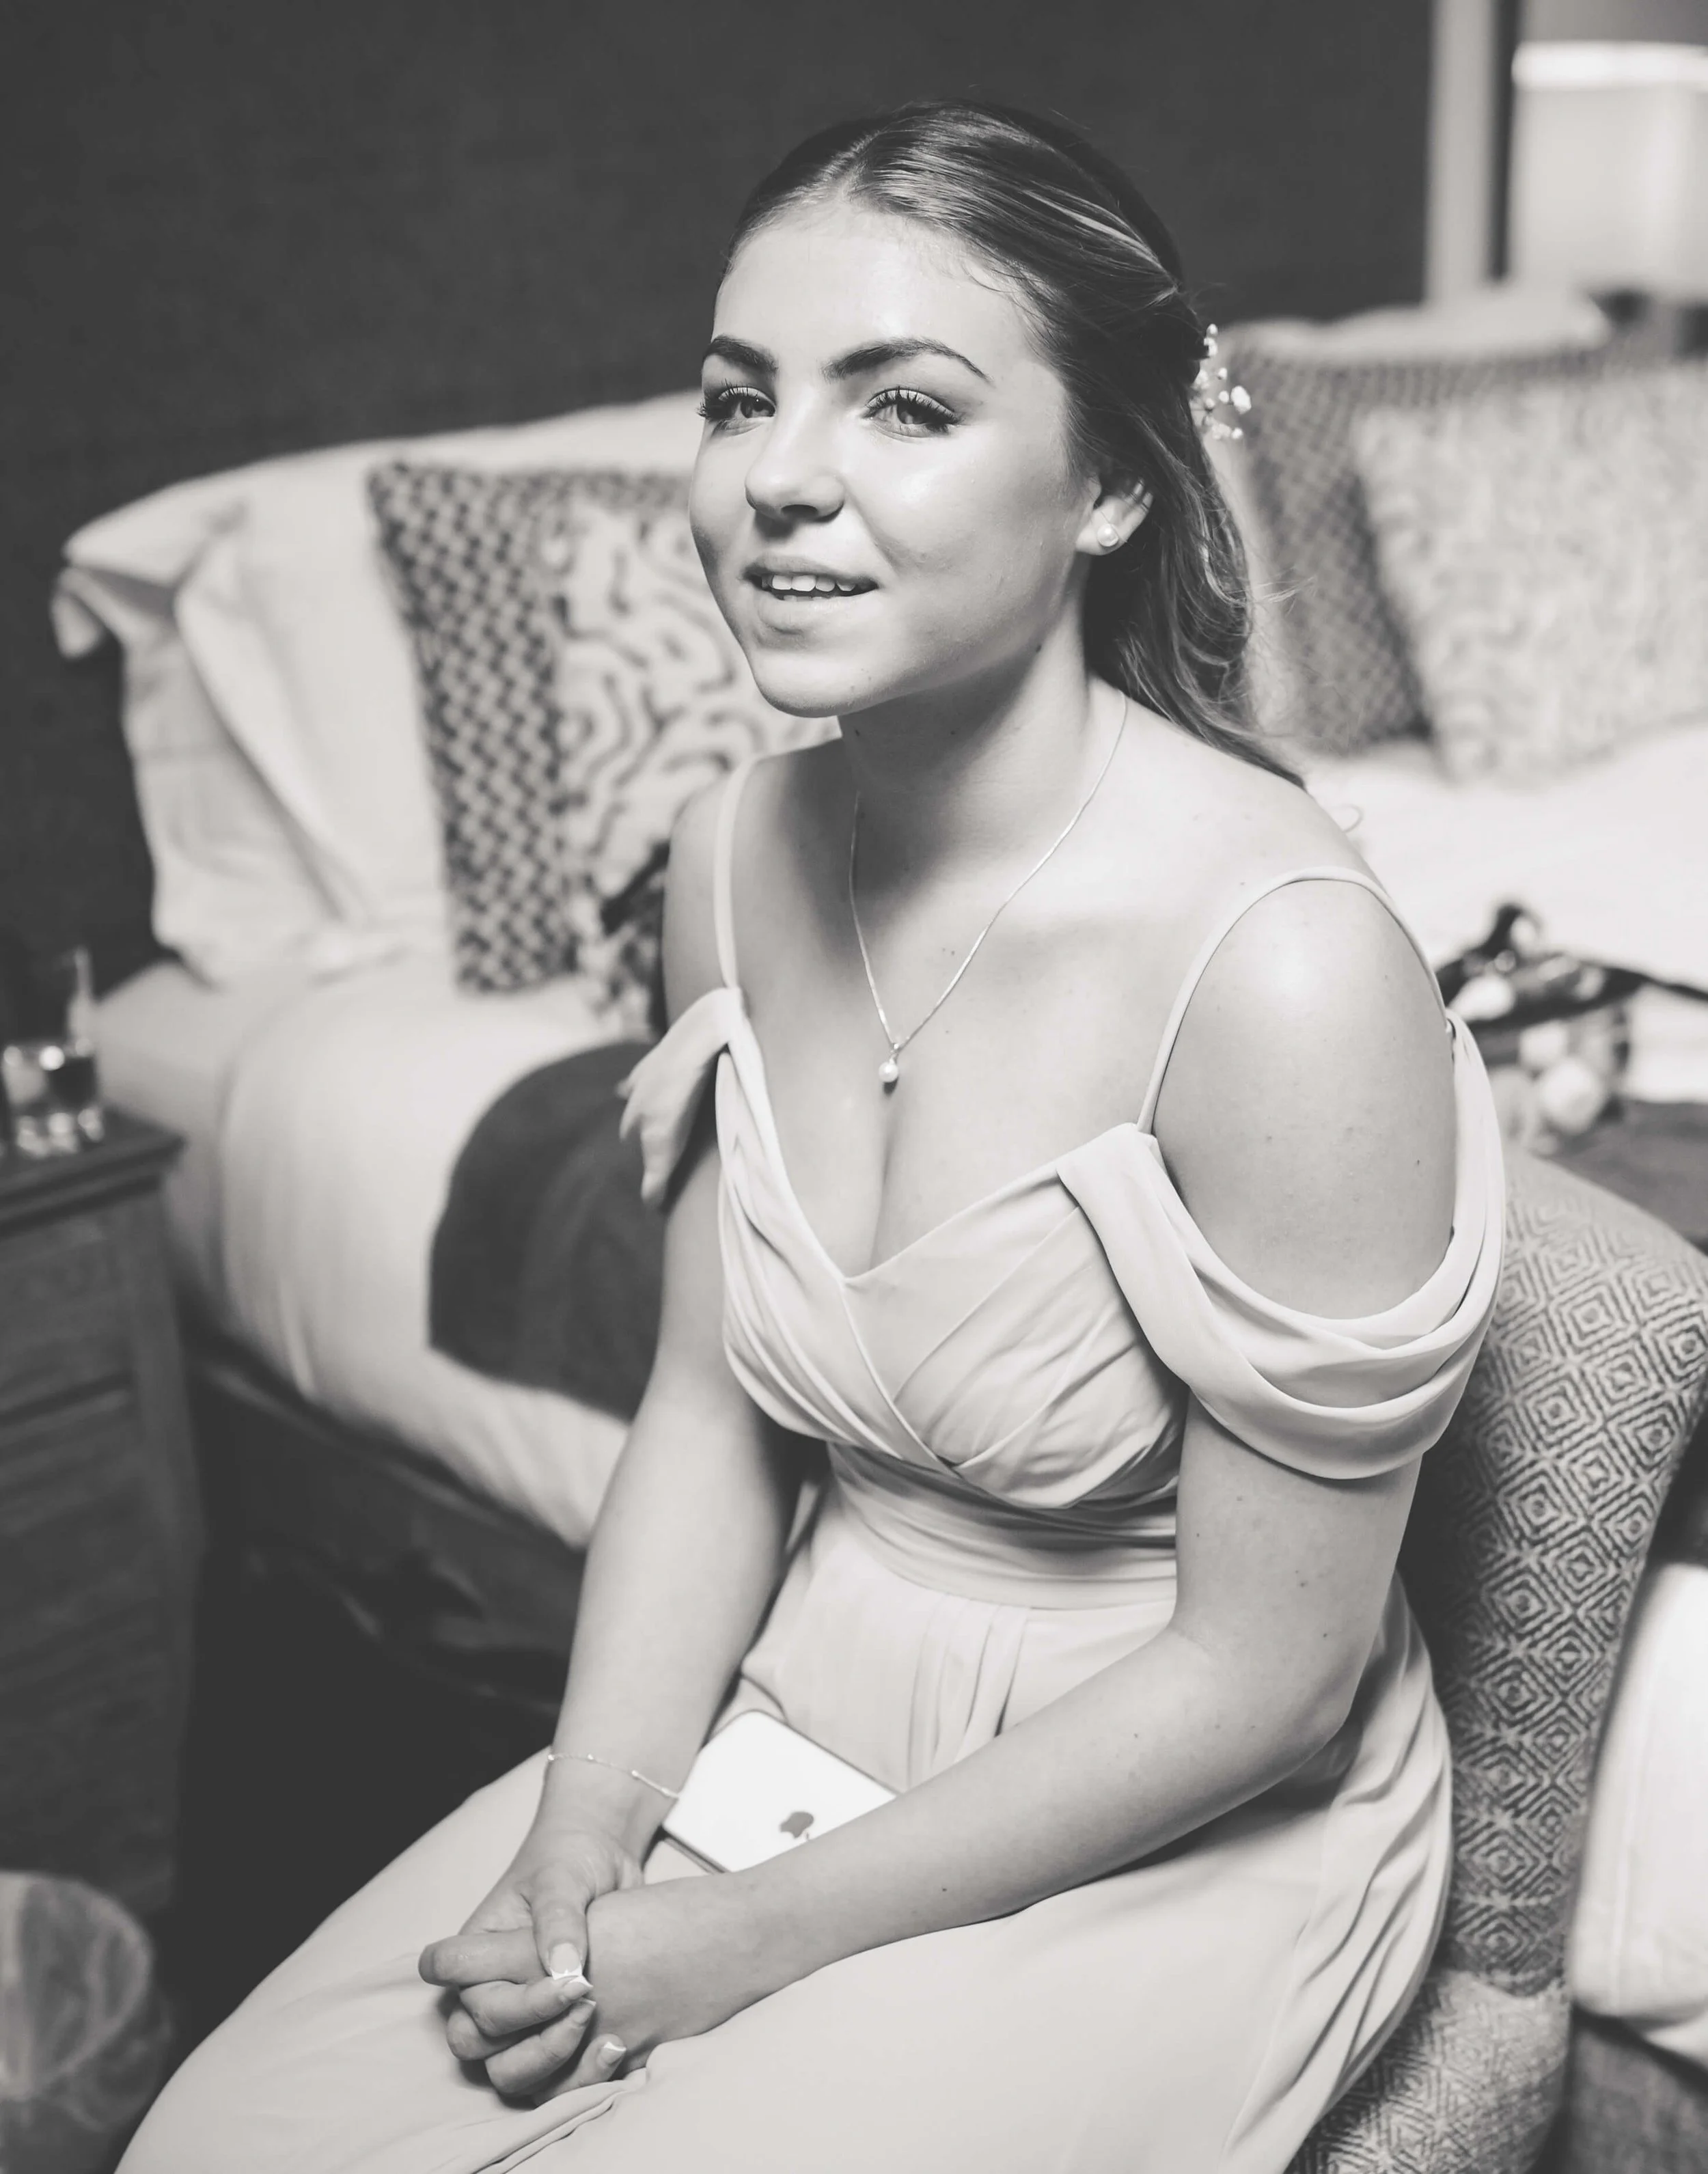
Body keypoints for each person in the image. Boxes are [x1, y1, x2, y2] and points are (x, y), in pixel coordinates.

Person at [122, 100, 1504, 2174]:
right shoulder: (728, 856)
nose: (777, 474)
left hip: (1176, 1799)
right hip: (803, 1699)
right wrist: (583, 1835)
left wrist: (732, 1943)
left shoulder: (1286, 966)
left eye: (906, 406)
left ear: (1112, 484)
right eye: (737, 396)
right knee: (221, 2143)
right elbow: (708, 1412)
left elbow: (1266, 1678)